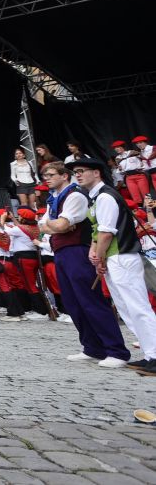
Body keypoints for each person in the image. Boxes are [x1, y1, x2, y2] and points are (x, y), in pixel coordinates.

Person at [73, 159, 156, 372]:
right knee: (127, 308)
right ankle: (149, 353)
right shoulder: (97, 197)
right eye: (76, 172)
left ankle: (154, 354)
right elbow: (98, 230)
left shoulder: (106, 196)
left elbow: (107, 232)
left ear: (97, 173)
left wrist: (98, 257)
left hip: (122, 256)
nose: (78, 175)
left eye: (82, 171)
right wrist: (97, 253)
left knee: (138, 307)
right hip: (114, 258)